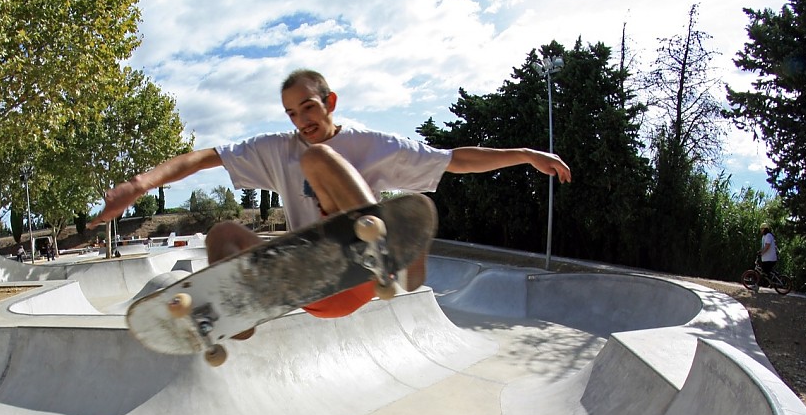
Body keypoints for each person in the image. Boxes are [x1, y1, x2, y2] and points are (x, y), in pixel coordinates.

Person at [97, 69, 572, 329]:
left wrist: (526, 155)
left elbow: (454, 160)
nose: (301, 121)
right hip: (311, 292)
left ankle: (384, 251)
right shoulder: (275, 148)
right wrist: (140, 184)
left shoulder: (373, 144)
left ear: (331, 102)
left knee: (317, 160)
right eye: (291, 113)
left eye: (309, 107)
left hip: (362, 276)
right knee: (222, 235)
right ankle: (231, 316)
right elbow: (205, 158)